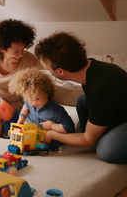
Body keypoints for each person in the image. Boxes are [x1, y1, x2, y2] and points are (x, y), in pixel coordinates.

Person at [35, 31, 127, 164]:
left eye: (47, 68)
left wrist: (51, 134)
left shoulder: (100, 87)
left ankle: (100, 136)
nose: (47, 70)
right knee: (82, 101)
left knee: (105, 151)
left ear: (61, 71)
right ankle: (98, 133)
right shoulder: (92, 68)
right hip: (116, 109)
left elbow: (88, 140)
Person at [9, 68, 75, 150]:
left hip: (49, 137)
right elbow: (25, 107)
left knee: (48, 138)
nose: (33, 103)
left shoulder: (56, 111)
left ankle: (47, 147)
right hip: (34, 133)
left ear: (46, 92)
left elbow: (69, 128)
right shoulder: (29, 102)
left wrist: (52, 126)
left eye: (37, 99)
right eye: (29, 99)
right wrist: (21, 119)